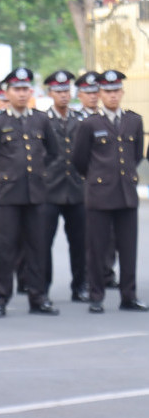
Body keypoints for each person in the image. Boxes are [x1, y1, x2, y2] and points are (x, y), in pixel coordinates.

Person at [0, 67, 59, 318]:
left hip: (35, 193)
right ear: (7, 92)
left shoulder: (41, 119)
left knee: (37, 246)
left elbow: (53, 152)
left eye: (25, 89)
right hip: (8, 194)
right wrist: (4, 173)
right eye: (17, 89)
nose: (22, 94)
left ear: (31, 91)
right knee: (6, 247)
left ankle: (38, 296)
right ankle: (0, 298)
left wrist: (40, 172)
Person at [72, 69, 147, 314]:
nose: (112, 96)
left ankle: (129, 296)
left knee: (128, 248)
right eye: (107, 91)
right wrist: (97, 178)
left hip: (126, 193)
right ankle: (96, 296)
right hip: (99, 194)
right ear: (100, 93)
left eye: (116, 91)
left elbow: (135, 156)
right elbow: (80, 160)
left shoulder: (133, 121)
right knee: (97, 248)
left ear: (122, 93)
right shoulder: (89, 124)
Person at [41, 71, 88, 303]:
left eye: (66, 91)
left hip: (76, 189)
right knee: (43, 244)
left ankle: (80, 286)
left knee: (80, 243)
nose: (63, 96)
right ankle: (43, 290)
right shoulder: (41, 120)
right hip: (49, 189)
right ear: (50, 93)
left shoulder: (80, 120)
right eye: (58, 91)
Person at [75, 71, 120, 289]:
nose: (92, 97)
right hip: (84, 182)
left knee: (110, 234)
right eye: (88, 93)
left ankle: (106, 272)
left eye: (95, 92)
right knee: (89, 233)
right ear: (80, 95)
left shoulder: (113, 120)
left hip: (109, 184)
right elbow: (77, 156)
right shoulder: (78, 121)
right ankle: (87, 276)